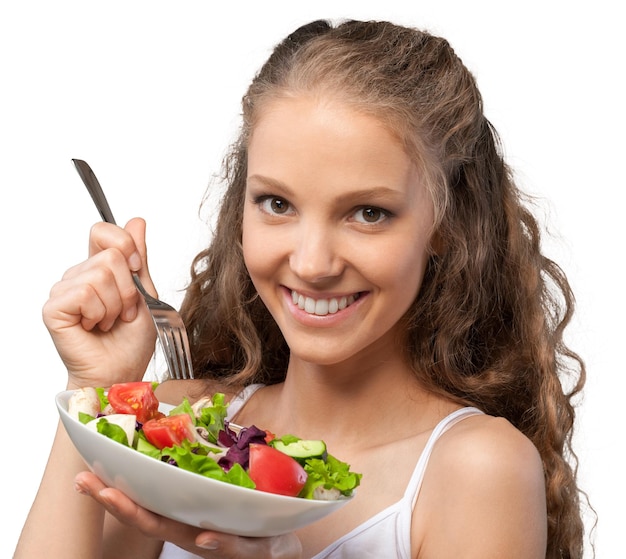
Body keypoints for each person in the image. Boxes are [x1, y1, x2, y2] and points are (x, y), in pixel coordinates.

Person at [15, 18, 587, 559]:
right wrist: (95, 390)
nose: (312, 264)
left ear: (444, 227)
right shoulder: (176, 426)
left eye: (368, 212)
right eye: (277, 204)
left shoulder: (473, 468)